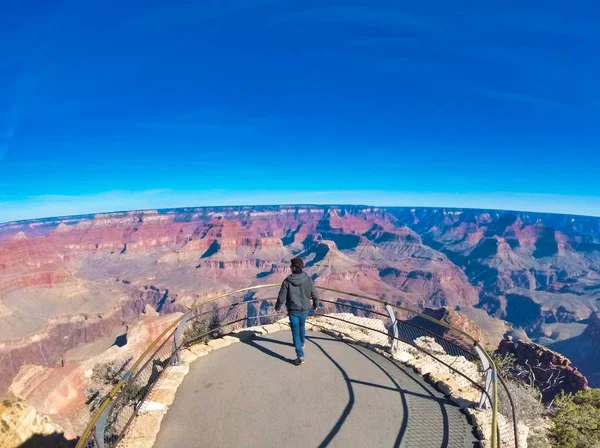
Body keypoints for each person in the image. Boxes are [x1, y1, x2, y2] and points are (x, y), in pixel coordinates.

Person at [275, 257, 320, 366]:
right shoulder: (308, 279)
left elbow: (282, 296)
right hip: (305, 309)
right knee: (302, 325)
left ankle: (300, 356)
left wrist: (278, 306)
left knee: (295, 331)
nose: (290, 268)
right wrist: (315, 304)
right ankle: (302, 343)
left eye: (291, 266)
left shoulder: (287, 281)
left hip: (293, 310)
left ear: (294, 268)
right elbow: (315, 294)